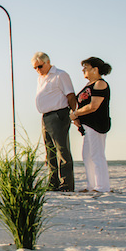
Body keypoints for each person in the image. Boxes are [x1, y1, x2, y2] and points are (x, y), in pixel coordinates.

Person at [33, 52, 77, 192]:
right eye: (35, 68)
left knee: (62, 150)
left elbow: (70, 95)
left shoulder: (60, 75)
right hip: (45, 116)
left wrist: (73, 114)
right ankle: (53, 183)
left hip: (59, 114)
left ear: (48, 62)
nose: (38, 70)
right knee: (50, 151)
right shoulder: (41, 78)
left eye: (39, 66)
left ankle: (66, 184)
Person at [70, 57, 112, 193]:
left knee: (97, 155)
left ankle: (102, 187)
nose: (83, 70)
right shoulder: (89, 85)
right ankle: (91, 185)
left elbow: (93, 106)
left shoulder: (100, 84)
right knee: (87, 156)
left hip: (97, 125)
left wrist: (76, 114)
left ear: (95, 69)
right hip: (87, 126)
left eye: (86, 67)